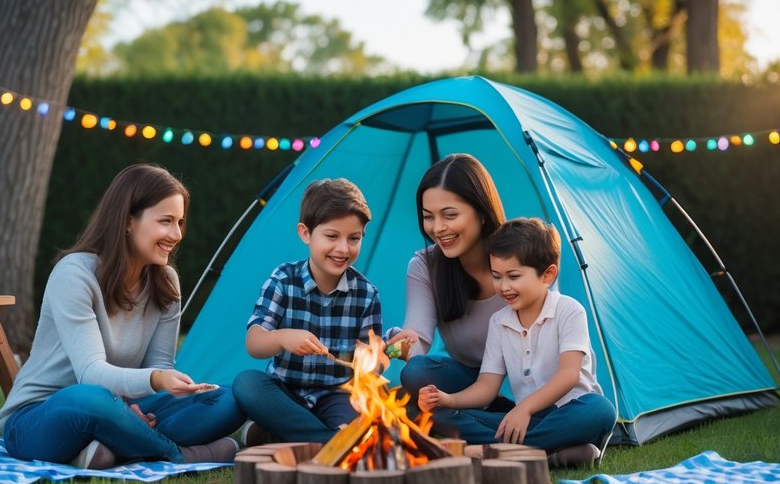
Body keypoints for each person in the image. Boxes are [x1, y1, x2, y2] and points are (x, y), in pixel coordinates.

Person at [0, 163, 244, 469]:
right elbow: (92, 374)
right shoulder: (74, 275)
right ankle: (176, 455)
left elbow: (159, 366)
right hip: (39, 418)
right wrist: (149, 386)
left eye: (180, 222)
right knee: (90, 399)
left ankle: (114, 446)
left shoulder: (165, 282)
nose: (177, 234)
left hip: (121, 407)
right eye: (166, 221)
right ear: (128, 221)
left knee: (228, 397)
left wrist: (131, 407)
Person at [417, 218, 616, 467]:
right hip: (525, 421)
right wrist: (449, 400)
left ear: (548, 275)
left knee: (601, 409)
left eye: (513, 276)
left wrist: (525, 409)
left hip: (569, 414)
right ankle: (548, 454)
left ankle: (501, 451)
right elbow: (487, 386)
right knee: (440, 415)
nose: (504, 287)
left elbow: (569, 374)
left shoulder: (569, 311)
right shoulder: (499, 322)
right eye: (497, 276)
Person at [232, 178, 382, 443]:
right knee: (246, 383)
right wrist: (282, 338)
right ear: (305, 233)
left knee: (361, 416)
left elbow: (371, 368)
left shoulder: (366, 294)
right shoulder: (283, 280)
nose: (343, 248)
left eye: (354, 238)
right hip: (284, 391)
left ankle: (290, 435)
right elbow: (254, 343)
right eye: (332, 236)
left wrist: (381, 353)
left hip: (337, 395)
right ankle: (329, 441)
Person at [388, 154, 508, 402]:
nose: (438, 228)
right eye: (429, 217)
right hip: (469, 383)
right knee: (416, 374)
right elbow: (418, 341)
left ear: (482, 212)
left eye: (450, 215)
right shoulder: (425, 266)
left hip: (529, 380)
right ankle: (506, 424)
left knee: (592, 413)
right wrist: (399, 345)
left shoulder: (521, 256)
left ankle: (504, 422)